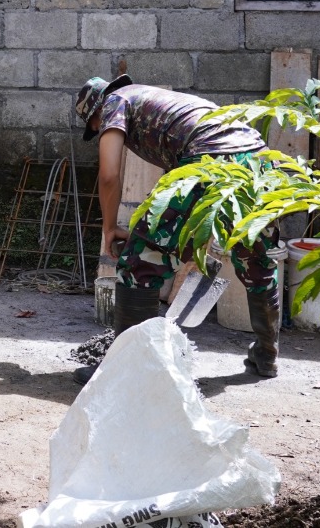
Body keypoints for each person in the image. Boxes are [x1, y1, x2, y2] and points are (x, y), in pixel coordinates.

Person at [71, 76, 281, 382]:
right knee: (256, 259)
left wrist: (109, 228)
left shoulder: (116, 103)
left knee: (137, 263)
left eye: (95, 128)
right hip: (258, 161)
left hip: (206, 162)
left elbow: (109, 175)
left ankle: (126, 370)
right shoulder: (159, 102)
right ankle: (267, 356)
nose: (99, 131)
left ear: (95, 115)